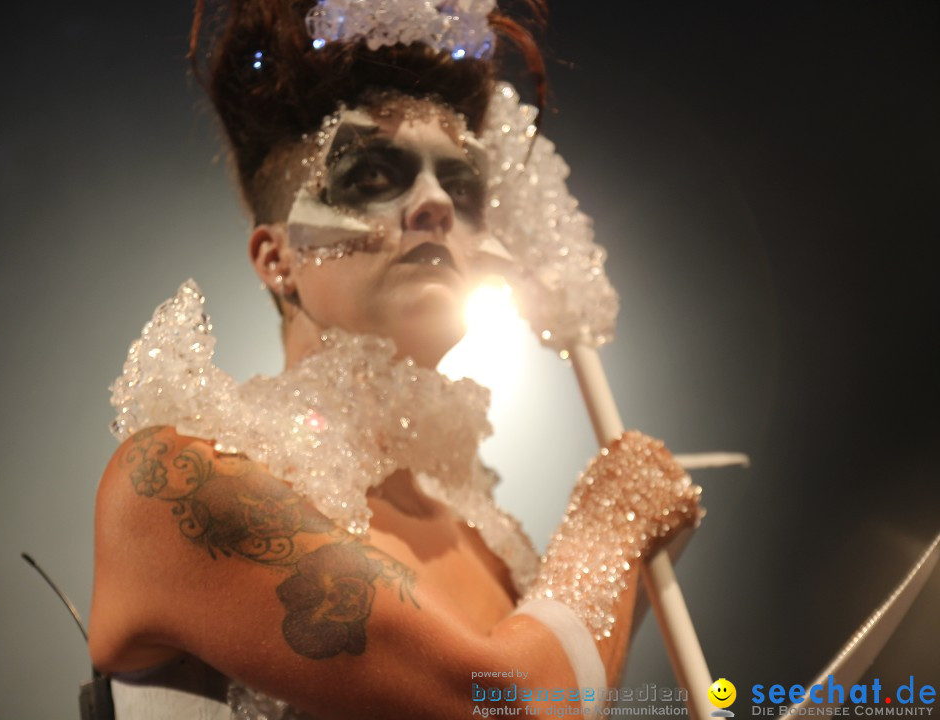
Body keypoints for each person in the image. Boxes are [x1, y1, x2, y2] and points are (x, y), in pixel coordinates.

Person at [87, 1, 702, 718]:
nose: (435, 204)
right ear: (277, 259)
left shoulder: (491, 544)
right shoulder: (176, 484)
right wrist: (612, 528)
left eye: (462, 186)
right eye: (376, 175)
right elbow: (505, 706)